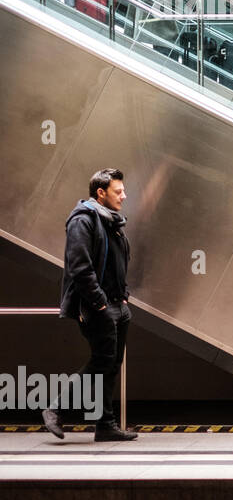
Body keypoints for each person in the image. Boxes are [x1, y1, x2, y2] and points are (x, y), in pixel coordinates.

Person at [44, 169, 137, 442]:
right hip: (97, 307)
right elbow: (80, 267)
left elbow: (117, 263)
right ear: (101, 192)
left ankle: (105, 424)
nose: (124, 196)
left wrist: (123, 296)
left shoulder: (111, 221)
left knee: (111, 364)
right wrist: (99, 304)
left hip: (117, 304)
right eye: (118, 191)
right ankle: (55, 408)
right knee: (101, 362)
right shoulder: (83, 220)